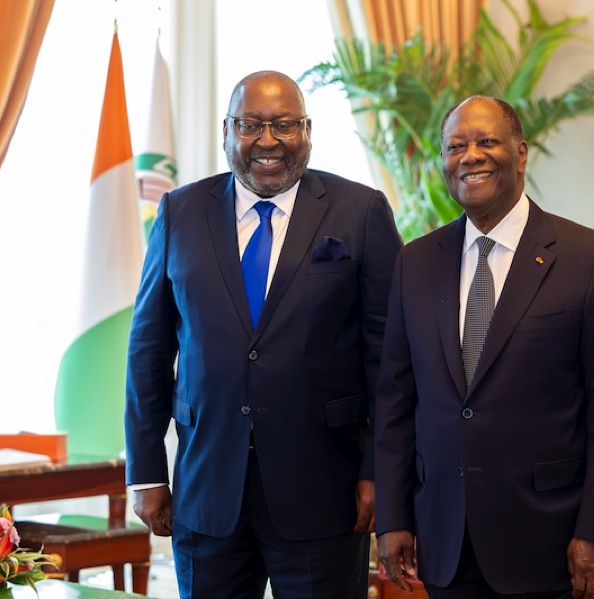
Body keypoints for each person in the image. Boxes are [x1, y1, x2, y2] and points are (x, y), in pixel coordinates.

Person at [124, 70, 403, 599]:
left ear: (308, 131)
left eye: (284, 125)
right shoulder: (180, 212)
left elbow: (388, 359)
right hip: (207, 488)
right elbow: (148, 350)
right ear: (226, 131)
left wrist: (378, 472)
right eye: (250, 124)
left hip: (325, 491)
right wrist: (147, 472)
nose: (267, 141)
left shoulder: (360, 211)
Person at [374, 96, 594, 599]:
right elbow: (395, 400)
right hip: (446, 542)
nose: (470, 156)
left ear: (520, 154)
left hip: (551, 542)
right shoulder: (415, 263)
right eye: (455, 146)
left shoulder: (592, 260)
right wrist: (393, 518)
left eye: (486, 141)